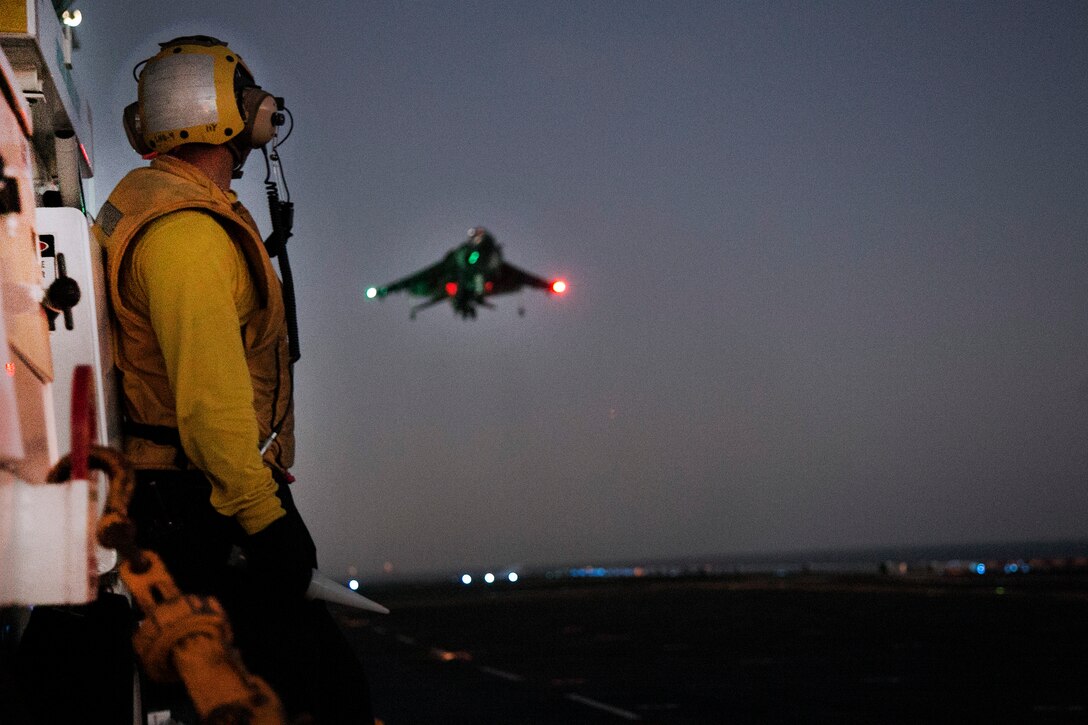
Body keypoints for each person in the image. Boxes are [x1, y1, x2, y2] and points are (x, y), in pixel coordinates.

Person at [91, 35, 372, 723]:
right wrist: (265, 518)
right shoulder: (188, 237)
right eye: (248, 96)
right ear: (226, 112)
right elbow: (209, 406)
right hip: (195, 500)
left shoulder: (161, 205)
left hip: (184, 489)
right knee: (323, 692)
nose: (263, 110)